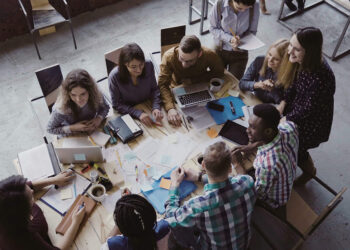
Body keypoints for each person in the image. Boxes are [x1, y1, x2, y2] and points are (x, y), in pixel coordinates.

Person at [165, 141, 256, 249]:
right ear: (230, 168)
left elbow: (171, 219)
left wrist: (175, 184)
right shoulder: (247, 182)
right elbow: (238, 179)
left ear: (203, 165)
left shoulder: (198, 206)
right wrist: (199, 177)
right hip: (244, 245)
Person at [277, 27, 335, 185]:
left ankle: (310, 172)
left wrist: (287, 118)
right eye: (291, 45)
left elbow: (309, 108)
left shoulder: (322, 78)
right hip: (298, 109)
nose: (290, 52)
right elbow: (293, 84)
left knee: (298, 148)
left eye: (297, 49)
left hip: (311, 121)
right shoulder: (300, 60)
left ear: (310, 51)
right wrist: (283, 103)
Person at [232, 104, 299, 218]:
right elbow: (276, 134)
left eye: (252, 128)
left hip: (275, 200)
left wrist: (237, 165)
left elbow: (255, 194)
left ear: (268, 131)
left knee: (232, 191)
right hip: (286, 178)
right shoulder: (289, 127)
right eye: (248, 125)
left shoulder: (267, 165)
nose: (247, 130)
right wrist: (253, 145)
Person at [0, 173, 85, 250]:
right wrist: (76, 221)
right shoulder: (25, 238)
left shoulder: (4, 198)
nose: (32, 191)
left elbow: (25, 187)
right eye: (31, 197)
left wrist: (53, 180)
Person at [158, 35, 224, 126]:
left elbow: (219, 72)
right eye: (181, 58)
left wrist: (193, 80)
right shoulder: (168, 57)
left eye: (190, 61)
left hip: (200, 87)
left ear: (199, 54)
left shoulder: (209, 54)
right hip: (177, 88)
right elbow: (162, 84)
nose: (184, 65)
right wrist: (170, 108)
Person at [109, 43, 163, 127]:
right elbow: (116, 104)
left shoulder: (148, 65)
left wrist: (156, 106)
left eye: (141, 64)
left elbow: (154, 89)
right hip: (129, 111)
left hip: (149, 105)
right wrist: (138, 113)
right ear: (125, 64)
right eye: (133, 67)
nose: (139, 70)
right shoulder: (114, 76)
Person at [47, 69, 110, 136]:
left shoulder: (96, 94)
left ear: (90, 91)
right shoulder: (61, 108)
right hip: (71, 136)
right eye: (73, 95)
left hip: (92, 131)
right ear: (67, 94)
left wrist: (99, 118)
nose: (78, 99)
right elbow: (50, 129)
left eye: (83, 94)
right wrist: (73, 128)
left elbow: (105, 107)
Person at [209, 0, 260, 80]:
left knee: (234, 82)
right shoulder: (219, 4)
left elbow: (252, 31)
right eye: (239, 8)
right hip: (220, 48)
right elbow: (213, 28)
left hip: (240, 52)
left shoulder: (255, 5)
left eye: (247, 8)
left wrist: (242, 42)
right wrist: (230, 39)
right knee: (215, 78)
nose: (243, 11)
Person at [102, 193, 170, 250]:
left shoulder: (113, 244)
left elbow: (105, 245)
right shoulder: (164, 227)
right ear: (152, 213)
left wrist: (121, 219)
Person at [239, 39, 289, 104]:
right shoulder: (259, 60)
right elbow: (242, 83)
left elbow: (282, 103)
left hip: (271, 107)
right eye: (270, 54)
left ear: (284, 62)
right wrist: (259, 85)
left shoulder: (288, 75)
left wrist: (272, 90)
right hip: (254, 100)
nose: (270, 60)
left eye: (276, 59)